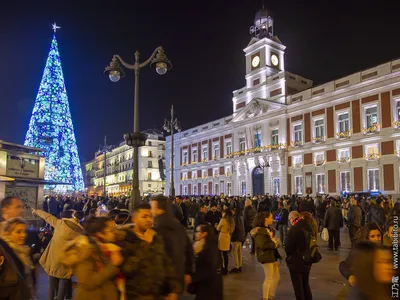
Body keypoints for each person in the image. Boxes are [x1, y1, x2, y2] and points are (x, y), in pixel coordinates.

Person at [118, 203, 181, 299]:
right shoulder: (126, 239)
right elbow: (127, 268)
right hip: (137, 295)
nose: (149, 220)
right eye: (144, 217)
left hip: (158, 294)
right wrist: (145, 244)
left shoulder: (155, 237)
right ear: (134, 219)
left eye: (151, 216)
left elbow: (166, 262)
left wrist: (174, 288)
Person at [61, 216, 122, 299]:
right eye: (111, 230)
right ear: (100, 233)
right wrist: (113, 265)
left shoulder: (110, 248)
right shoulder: (85, 251)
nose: (115, 233)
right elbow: (88, 282)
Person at [32, 208, 84, 300]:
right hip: (67, 260)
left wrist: (36, 211)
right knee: (63, 281)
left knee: (51, 282)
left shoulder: (60, 224)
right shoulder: (80, 231)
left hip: (54, 258)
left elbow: (47, 216)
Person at [150, 195, 193, 295]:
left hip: (165, 284)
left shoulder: (157, 229)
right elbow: (189, 250)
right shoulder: (178, 226)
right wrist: (188, 271)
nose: (151, 211)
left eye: (152, 208)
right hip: (179, 277)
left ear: (159, 210)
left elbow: (164, 257)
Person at [187, 224, 223, 300]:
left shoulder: (210, 248)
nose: (195, 233)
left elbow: (209, 268)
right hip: (204, 286)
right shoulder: (199, 246)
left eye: (197, 231)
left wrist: (192, 278)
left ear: (204, 234)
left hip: (210, 288)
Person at [0, 218, 33, 299]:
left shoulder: (23, 252)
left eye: (25, 231)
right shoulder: (6, 254)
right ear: (8, 234)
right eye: (18, 232)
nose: (23, 235)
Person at [252, 211, 281, 300]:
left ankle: (270, 296)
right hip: (266, 256)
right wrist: (275, 244)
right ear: (266, 219)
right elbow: (263, 245)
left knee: (276, 277)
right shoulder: (260, 231)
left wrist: (275, 243)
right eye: (271, 217)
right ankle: (266, 297)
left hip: (271, 255)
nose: (272, 219)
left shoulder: (268, 229)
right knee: (269, 278)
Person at [285, 211, 313, 300]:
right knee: (305, 284)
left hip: (296, 261)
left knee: (298, 287)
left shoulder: (293, 230)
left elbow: (288, 247)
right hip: (308, 259)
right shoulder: (308, 226)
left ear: (292, 219)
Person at [217, 208, 235, 275]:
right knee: (225, 254)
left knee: (220, 253)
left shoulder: (223, 220)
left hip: (222, 236)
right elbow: (231, 230)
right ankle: (226, 269)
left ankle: (222, 268)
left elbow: (218, 228)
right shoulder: (231, 220)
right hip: (227, 236)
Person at [230, 207, 245, 273]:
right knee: (239, 251)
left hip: (237, 236)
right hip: (241, 235)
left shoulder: (236, 217)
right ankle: (240, 265)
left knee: (234, 251)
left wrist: (231, 232)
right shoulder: (241, 216)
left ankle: (237, 266)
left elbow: (236, 227)